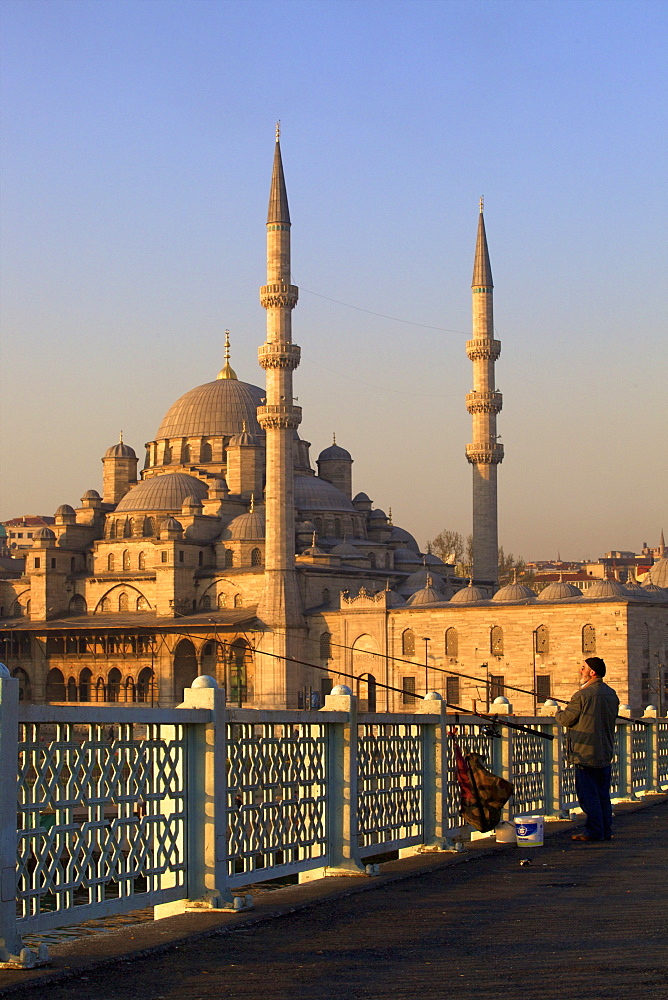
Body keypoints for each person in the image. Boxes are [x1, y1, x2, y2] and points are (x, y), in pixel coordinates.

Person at [555, 656, 619, 842]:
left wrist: (557, 712)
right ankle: (605, 830)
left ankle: (594, 832)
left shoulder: (582, 695)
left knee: (588, 796)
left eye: (583, 668)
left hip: (585, 752)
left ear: (592, 672)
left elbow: (567, 719)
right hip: (605, 751)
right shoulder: (611, 694)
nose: (580, 671)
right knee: (602, 795)